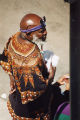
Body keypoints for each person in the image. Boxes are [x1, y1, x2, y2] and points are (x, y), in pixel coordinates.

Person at [0, 13, 55, 120]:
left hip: (17, 101)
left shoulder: (15, 38)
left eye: (44, 28)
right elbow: (32, 94)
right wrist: (51, 77)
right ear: (29, 32)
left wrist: (12, 78)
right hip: (31, 111)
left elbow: (4, 59)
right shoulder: (32, 60)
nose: (45, 32)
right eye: (41, 31)